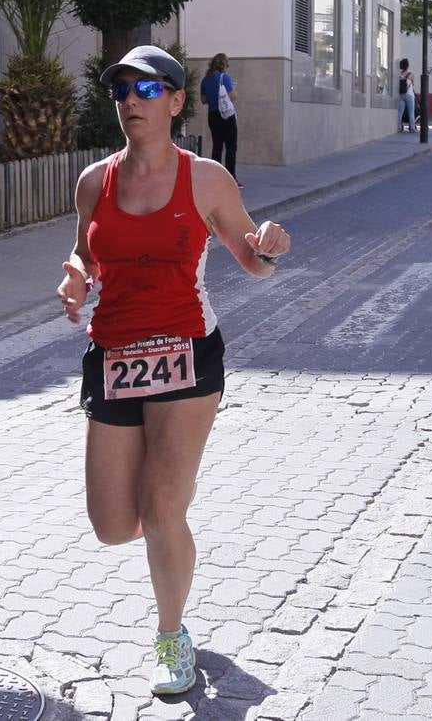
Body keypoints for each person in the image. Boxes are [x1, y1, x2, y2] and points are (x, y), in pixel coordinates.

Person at [57, 45, 291, 696]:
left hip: (187, 354)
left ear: (176, 100)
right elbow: (86, 253)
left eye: (147, 89)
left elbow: (252, 257)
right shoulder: (92, 181)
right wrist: (75, 278)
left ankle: (170, 638)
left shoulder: (206, 178)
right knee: (113, 525)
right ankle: (170, 537)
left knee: (160, 510)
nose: (131, 100)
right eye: (121, 90)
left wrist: (268, 244)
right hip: (113, 360)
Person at [200, 53, 240, 185]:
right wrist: (234, 90)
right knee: (231, 146)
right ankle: (230, 178)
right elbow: (233, 96)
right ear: (224, 65)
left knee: (217, 146)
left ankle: (214, 177)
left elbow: (203, 100)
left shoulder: (205, 79)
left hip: (213, 115)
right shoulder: (224, 77)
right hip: (226, 116)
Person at [397, 58, 417, 133]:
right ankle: (412, 128)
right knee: (411, 112)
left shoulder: (399, 75)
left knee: (400, 113)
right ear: (407, 66)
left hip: (401, 95)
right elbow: (413, 84)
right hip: (409, 95)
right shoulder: (411, 74)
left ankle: (399, 127)